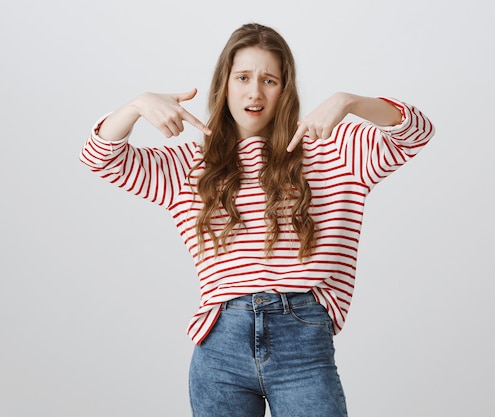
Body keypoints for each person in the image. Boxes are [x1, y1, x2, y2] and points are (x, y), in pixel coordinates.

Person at [80, 22, 434, 417]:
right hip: (220, 349)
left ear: (286, 89)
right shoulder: (189, 167)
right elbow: (101, 158)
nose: (255, 92)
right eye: (243, 77)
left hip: (303, 341)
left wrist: (349, 101)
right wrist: (137, 105)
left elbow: (416, 133)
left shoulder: (334, 151)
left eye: (270, 80)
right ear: (224, 85)